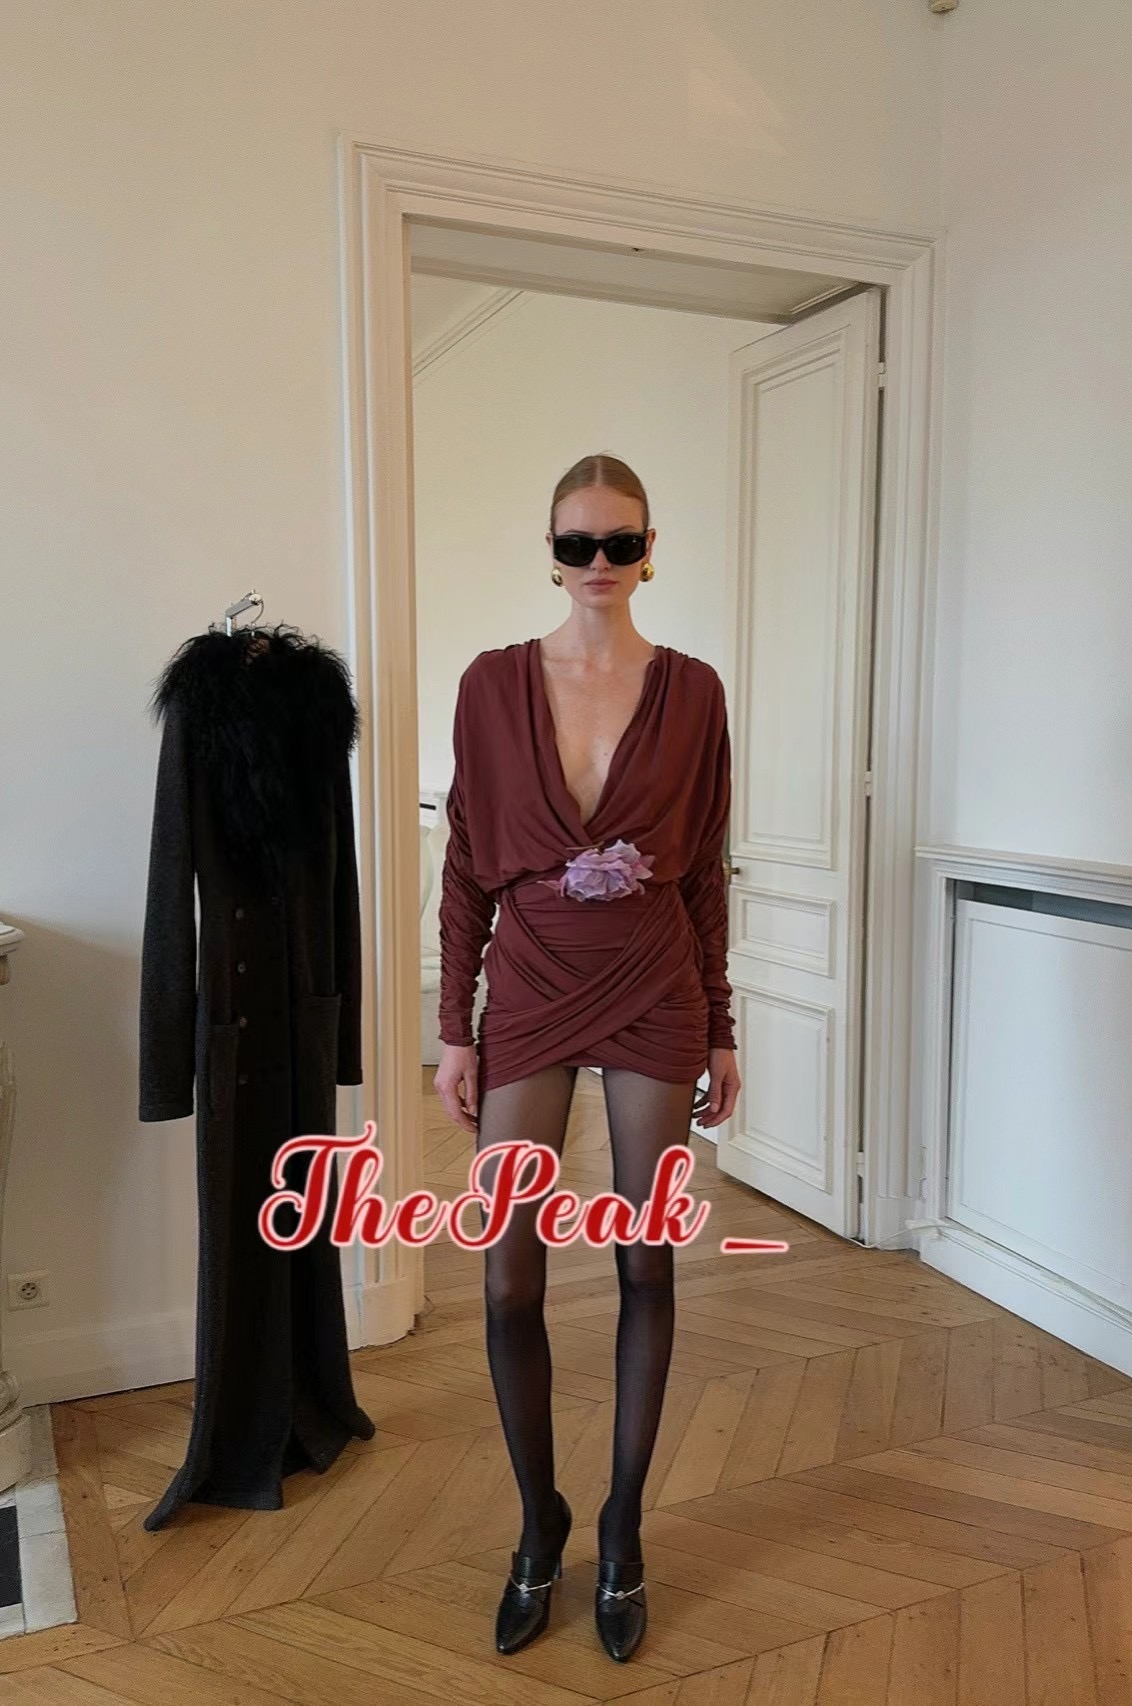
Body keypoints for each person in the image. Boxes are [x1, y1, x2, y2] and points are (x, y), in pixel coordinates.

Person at [434, 453, 740, 1663]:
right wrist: (453, 1026)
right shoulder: (491, 683)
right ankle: (538, 1518)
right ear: (550, 552)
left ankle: (621, 1530)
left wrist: (723, 1023)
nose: (599, 563)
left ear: (650, 550)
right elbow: (467, 863)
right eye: (578, 544)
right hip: (531, 985)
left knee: (646, 1262)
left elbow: (706, 869)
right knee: (507, 1278)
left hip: (656, 984)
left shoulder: (695, 691)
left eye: (621, 542)